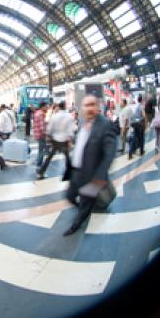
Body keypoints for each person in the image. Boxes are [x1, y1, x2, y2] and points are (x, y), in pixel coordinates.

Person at [63, 95, 118, 236]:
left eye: (92, 104)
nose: (89, 108)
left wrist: (100, 175)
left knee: (85, 204)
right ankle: (83, 209)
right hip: (76, 172)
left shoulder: (105, 124)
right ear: (81, 109)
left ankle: (76, 226)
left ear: (98, 107)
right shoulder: (83, 123)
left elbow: (110, 152)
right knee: (69, 196)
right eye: (86, 105)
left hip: (92, 176)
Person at [37, 101, 74, 180]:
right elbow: (71, 130)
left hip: (55, 140)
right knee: (67, 158)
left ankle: (41, 172)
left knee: (49, 157)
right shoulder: (69, 117)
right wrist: (70, 140)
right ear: (65, 107)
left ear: (59, 107)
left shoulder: (54, 116)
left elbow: (50, 128)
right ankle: (71, 174)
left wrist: (48, 136)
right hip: (64, 140)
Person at [32, 102, 49, 170]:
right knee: (42, 151)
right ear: (42, 107)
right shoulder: (41, 114)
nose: (47, 108)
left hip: (37, 134)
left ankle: (38, 164)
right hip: (41, 135)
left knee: (41, 150)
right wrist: (46, 135)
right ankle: (39, 165)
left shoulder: (37, 113)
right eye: (46, 106)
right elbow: (42, 127)